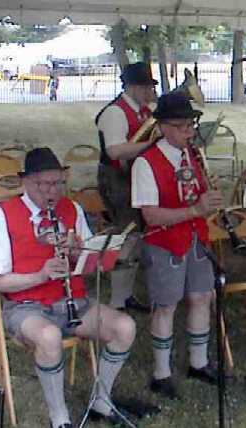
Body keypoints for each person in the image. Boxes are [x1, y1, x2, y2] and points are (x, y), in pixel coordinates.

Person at [0, 148, 138, 428]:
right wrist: (40, 275)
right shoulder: (3, 215)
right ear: (26, 182)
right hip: (25, 307)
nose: (54, 191)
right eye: (46, 184)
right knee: (49, 337)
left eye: (58, 183)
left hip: (74, 301)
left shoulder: (71, 209)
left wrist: (78, 251)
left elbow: (90, 263)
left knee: (125, 327)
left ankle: (102, 401)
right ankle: (60, 418)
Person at [130, 93, 224, 399]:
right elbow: (150, 215)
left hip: (196, 238)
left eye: (191, 125)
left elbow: (197, 197)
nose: (189, 131)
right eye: (182, 126)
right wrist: (195, 210)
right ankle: (161, 372)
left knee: (201, 297)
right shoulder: (146, 163)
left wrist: (208, 200)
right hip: (165, 242)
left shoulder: (191, 155)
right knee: (166, 305)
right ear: (162, 127)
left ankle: (198, 362)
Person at [95, 61, 157, 313]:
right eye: (144, 87)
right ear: (130, 87)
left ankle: (126, 295)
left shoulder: (142, 110)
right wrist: (151, 145)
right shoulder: (115, 113)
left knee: (136, 237)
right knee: (127, 235)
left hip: (132, 177)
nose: (149, 92)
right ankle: (118, 302)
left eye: (150, 87)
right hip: (116, 180)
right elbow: (115, 150)